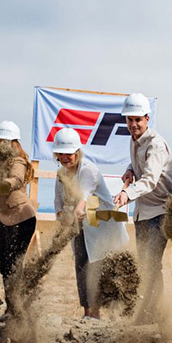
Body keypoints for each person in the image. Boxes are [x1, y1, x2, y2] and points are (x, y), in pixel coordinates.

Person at [53, 128, 129, 319]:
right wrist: (62, 217)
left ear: (77, 152)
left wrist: (76, 213)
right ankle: (89, 314)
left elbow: (83, 199)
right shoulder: (61, 174)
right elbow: (58, 201)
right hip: (80, 229)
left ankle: (115, 315)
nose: (64, 157)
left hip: (103, 229)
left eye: (68, 153)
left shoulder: (89, 170)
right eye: (60, 154)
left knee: (103, 272)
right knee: (82, 268)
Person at [112, 93, 172, 322]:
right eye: (129, 120)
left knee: (151, 265)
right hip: (143, 213)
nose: (133, 124)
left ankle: (152, 314)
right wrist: (130, 169)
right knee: (146, 266)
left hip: (159, 212)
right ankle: (152, 313)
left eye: (138, 119)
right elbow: (140, 164)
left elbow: (150, 179)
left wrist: (126, 193)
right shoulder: (135, 141)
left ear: (147, 118)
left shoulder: (156, 144)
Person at [0, 120, 37, 317]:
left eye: (5, 141)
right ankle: (12, 305)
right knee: (3, 264)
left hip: (21, 218)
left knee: (15, 263)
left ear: (14, 143)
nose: (1, 145)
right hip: (1, 219)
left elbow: (15, 180)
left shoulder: (18, 161)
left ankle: (16, 309)